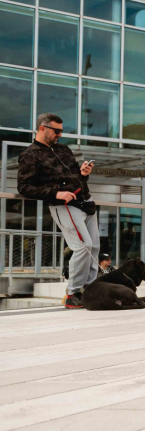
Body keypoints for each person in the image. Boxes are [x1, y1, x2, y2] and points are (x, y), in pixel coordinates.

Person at [17, 113, 99, 308]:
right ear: (43, 128)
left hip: (85, 201)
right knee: (83, 246)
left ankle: (91, 289)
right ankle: (73, 294)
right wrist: (57, 194)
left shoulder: (63, 149)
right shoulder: (30, 154)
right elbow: (24, 188)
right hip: (64, 206)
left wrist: (84, 174)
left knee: (94, 247)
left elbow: (75, 177)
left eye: (62, 131)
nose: (60, 134)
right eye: (56, 131)